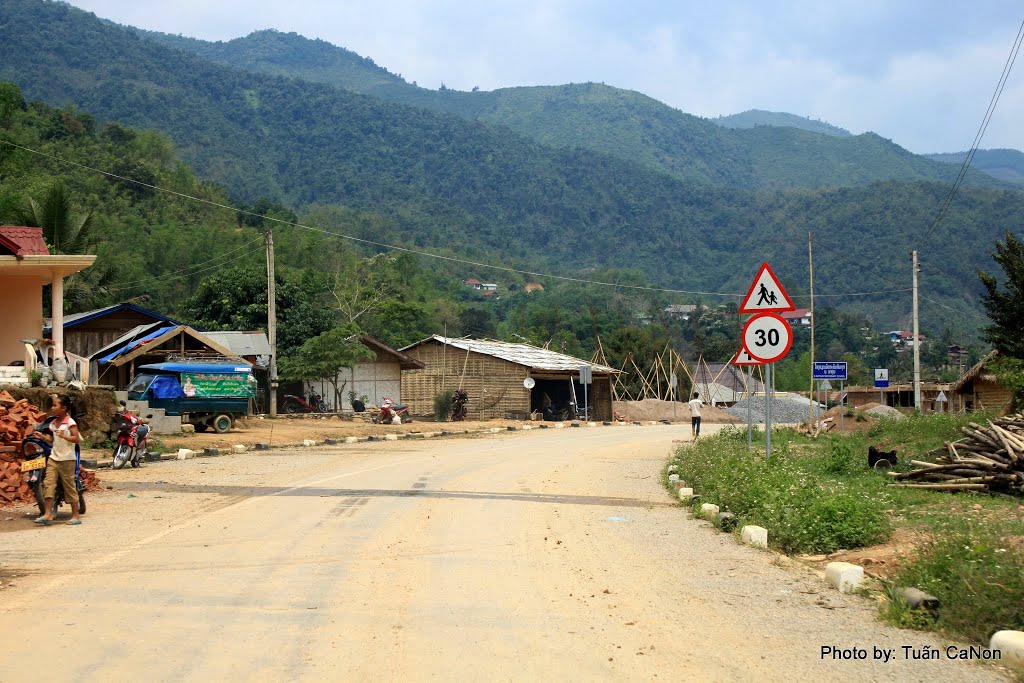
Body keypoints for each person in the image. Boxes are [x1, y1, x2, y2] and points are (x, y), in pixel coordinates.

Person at [34, 394, 81, 526]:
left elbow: (76, 439)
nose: (53, 408)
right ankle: (48, 514)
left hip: (67, 459)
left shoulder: (70, 423)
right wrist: (43, 437)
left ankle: (75, 516)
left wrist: (65, 436)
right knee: (48, 484)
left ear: (64, 408)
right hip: (54, 458)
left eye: (55, 405)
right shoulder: (53, 423)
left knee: (69, 487)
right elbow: (54, 440)